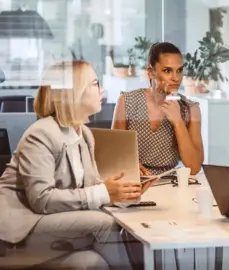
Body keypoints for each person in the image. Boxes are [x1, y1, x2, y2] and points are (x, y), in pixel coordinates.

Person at [0, 60, 153, 269]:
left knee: (91, 262)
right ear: (75, 92)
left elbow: (91, 190)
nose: (102, 89)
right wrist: (105, 192)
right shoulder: (41, 133)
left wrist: (124, 192)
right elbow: (42, 200)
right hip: (19, 230)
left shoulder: (84, 134)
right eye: (95, 83)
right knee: (105, 224)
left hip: (51, 225)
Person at [112, 42, 204, 176]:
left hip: (170, 183)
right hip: (134, 181)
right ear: (151, 72)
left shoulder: (191, 109)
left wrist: (178, 122)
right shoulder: (126, 102)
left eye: (179, 70)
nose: (176, 78)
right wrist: (129, 166)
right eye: (167, 71)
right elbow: (114, 155)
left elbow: (194, 167)